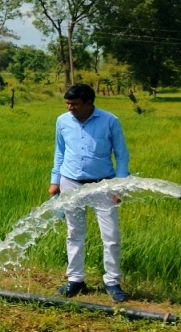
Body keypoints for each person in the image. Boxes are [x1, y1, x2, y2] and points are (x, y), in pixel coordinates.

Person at [49, 83, 130, 302]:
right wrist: (55, 181)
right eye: (67, 103)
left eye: (74, 104)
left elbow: (121, 155)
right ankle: (75, 279)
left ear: (89, 103)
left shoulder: (109, 121)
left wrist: (119, 186)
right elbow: (60, 151)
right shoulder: (62, 121)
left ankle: (112, 281)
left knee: (111, 235)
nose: (70, 108)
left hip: (103, 184)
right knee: (74, 232)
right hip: (70, 182)